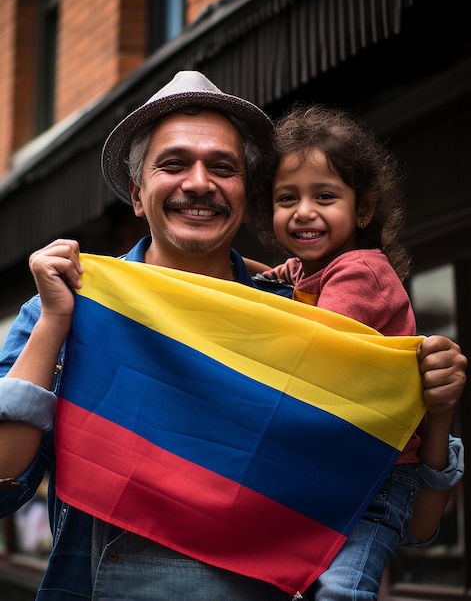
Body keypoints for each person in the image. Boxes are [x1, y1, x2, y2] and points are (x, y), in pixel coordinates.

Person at [0, 71, 466, 601]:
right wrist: (56, 324)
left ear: (246, 196)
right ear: (136, 193)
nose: (199, 183)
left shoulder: (307, 321)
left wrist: (439, 405)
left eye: (223, 168)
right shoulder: (68, 303)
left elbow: (417, 527)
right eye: (174, 164)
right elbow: (3, 487)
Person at [247, 102, 465, 598]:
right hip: (338, 468)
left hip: (383, 478)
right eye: (287, 198)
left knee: (344, 590)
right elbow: (262, 281)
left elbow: (321, 343)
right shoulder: (305, 270)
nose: (304, 212)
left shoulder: (360, 272)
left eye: (324, 196)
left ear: (362, 209)